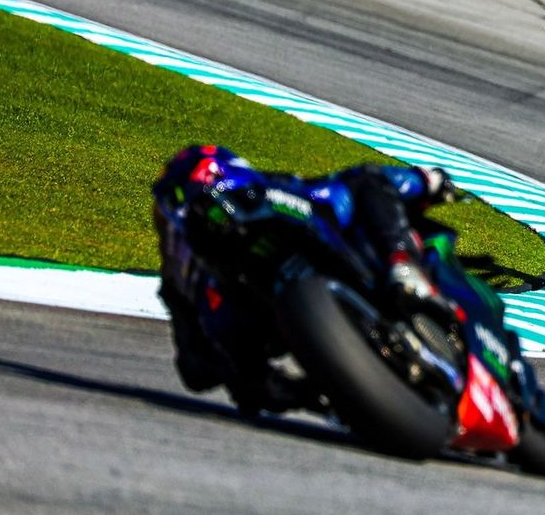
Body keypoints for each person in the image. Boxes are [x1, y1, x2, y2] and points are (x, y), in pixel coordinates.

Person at [151, 145, 457, 415]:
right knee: (233, 377)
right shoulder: (195, 284)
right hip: (280, 327)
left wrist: (423, 181)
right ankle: (319, 392)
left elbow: (363, 183)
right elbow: (196, 369)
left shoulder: (286, 191)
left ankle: (402, 265)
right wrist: (272, 387)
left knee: (364, 181)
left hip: (356, 262)